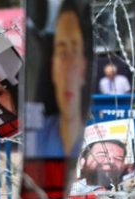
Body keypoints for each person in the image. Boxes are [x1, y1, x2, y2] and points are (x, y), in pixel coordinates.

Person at [28, 0, 91, 160]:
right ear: (53, 67)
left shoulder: (99, 141)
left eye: (75, 51)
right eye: (62, 54)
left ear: (84, 66)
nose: (69, 69)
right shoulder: (36, 136)